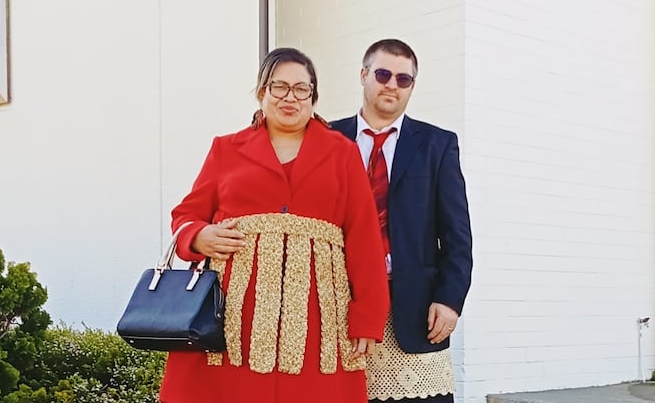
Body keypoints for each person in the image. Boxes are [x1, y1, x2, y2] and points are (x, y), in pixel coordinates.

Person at [159, 47, 390, 403]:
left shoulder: (341, 152)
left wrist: (368, 318)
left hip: (319, 315)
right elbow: (185, 215)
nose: (290, 97)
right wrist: (198, 236)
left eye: (302, 89)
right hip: (234, 315)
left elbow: (364, 239)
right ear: (262, 92)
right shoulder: (226, 149)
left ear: (313, 96)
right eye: (279, 87)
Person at [330, 39, 472, 403]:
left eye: (404, 79)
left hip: (415, 307)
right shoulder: (327, 139)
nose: (392, 84)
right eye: (382, 74)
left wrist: (450, 299)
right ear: (363, 75)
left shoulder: (437, 145)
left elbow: (457, 235)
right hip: (339, 305)